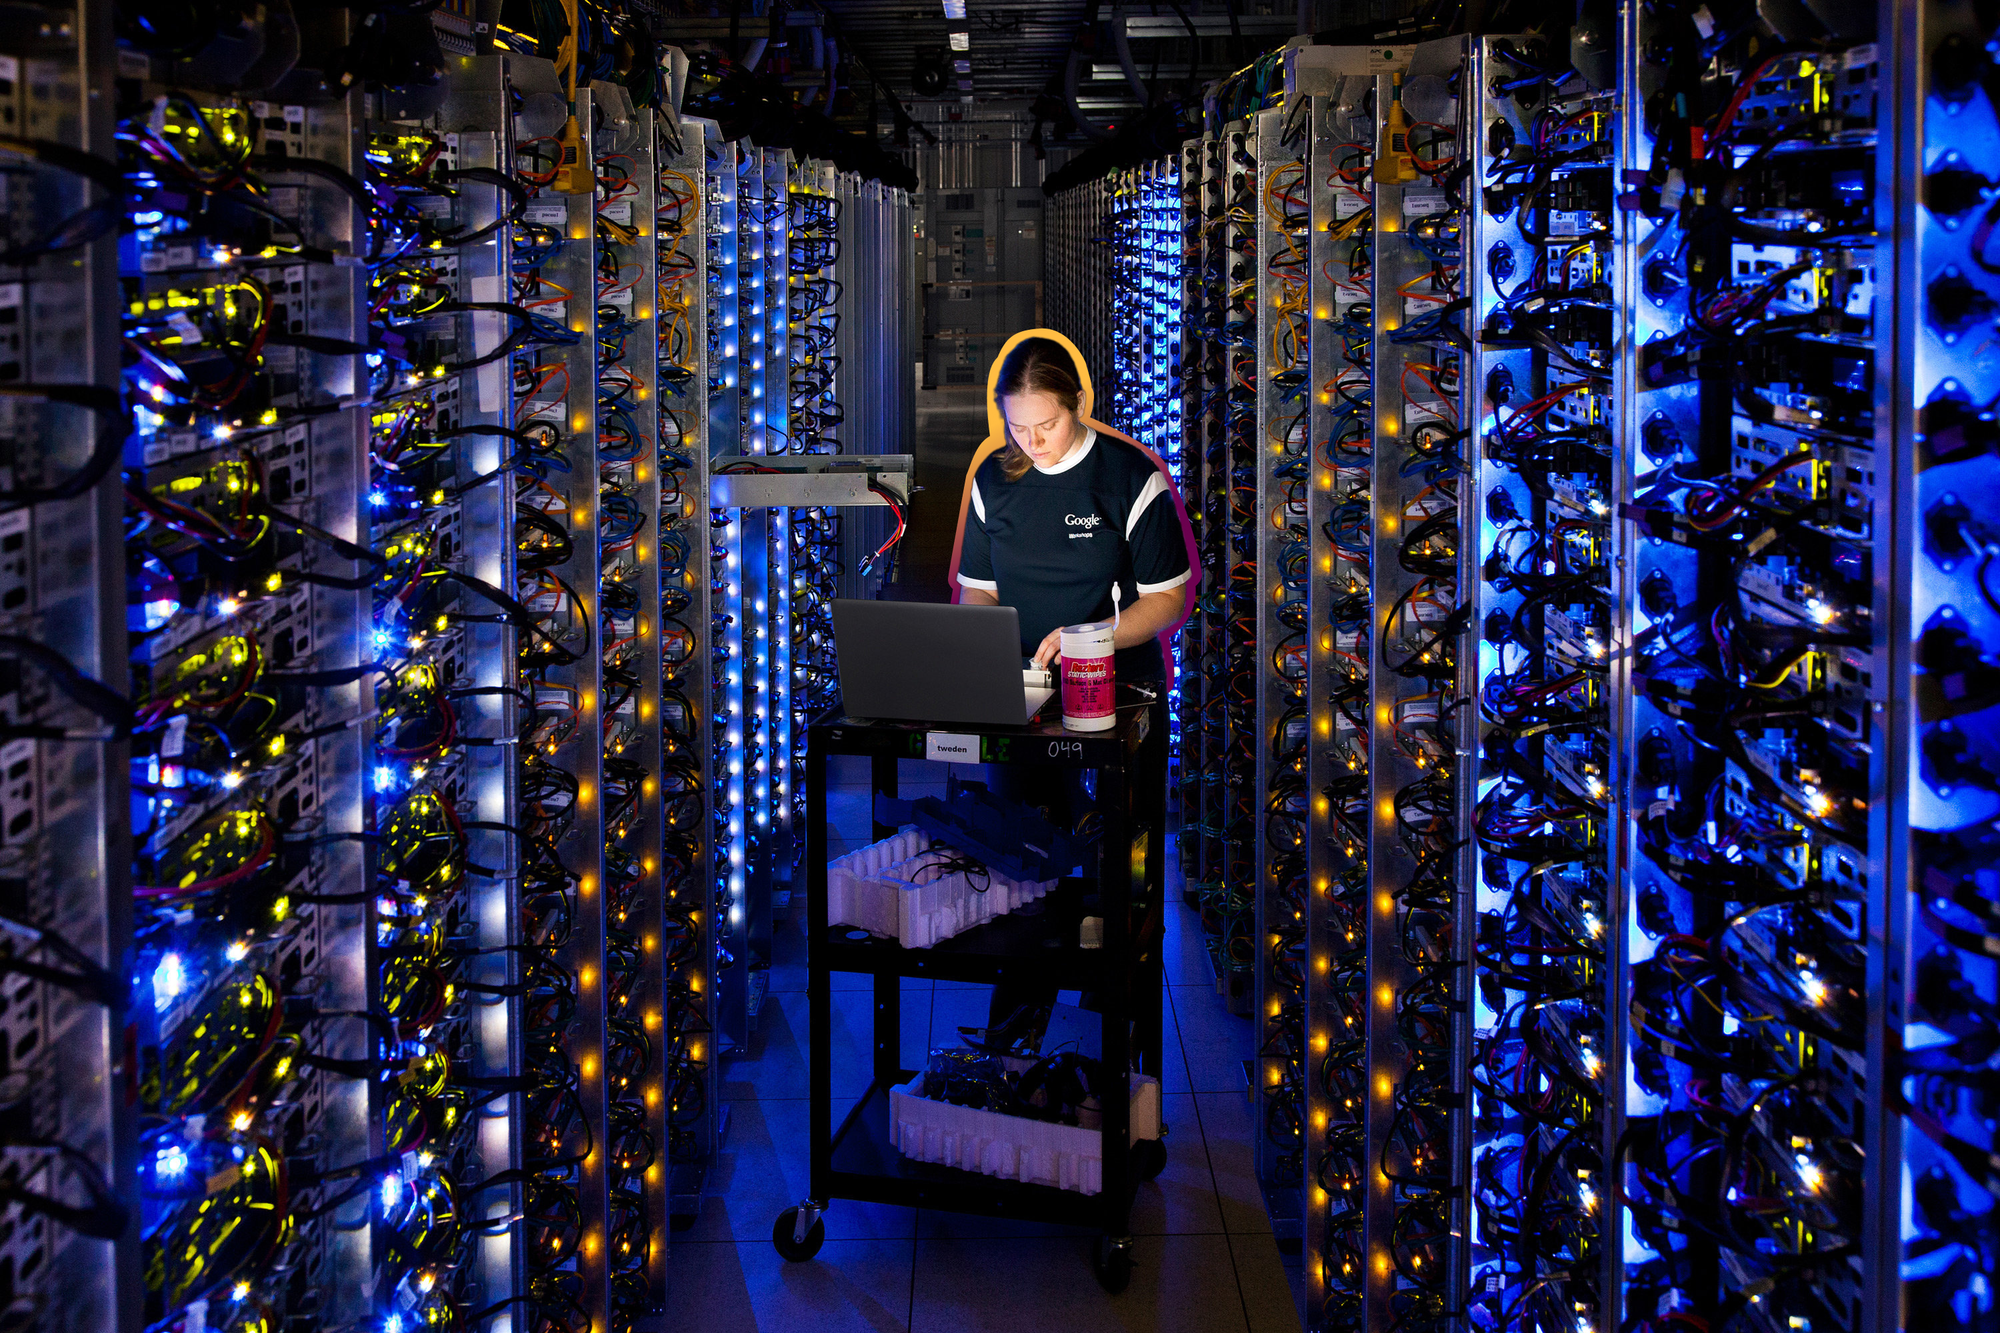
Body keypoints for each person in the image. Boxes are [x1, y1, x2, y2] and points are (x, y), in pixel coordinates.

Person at [946, 331, 1196, 1055]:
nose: (1032, 443)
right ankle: (1017, 1034)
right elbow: (978, 589)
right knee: (1024, 852)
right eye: (1017, 428)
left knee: (1123, 860)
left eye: (1046, 425)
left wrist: (1092, 635)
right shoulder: (996, 479)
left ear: (1079, 404)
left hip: (1121, 688)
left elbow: (1167, 599)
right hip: (1026, 690)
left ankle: (1113, 1037)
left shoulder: (1129, 477)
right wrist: (981, 649)